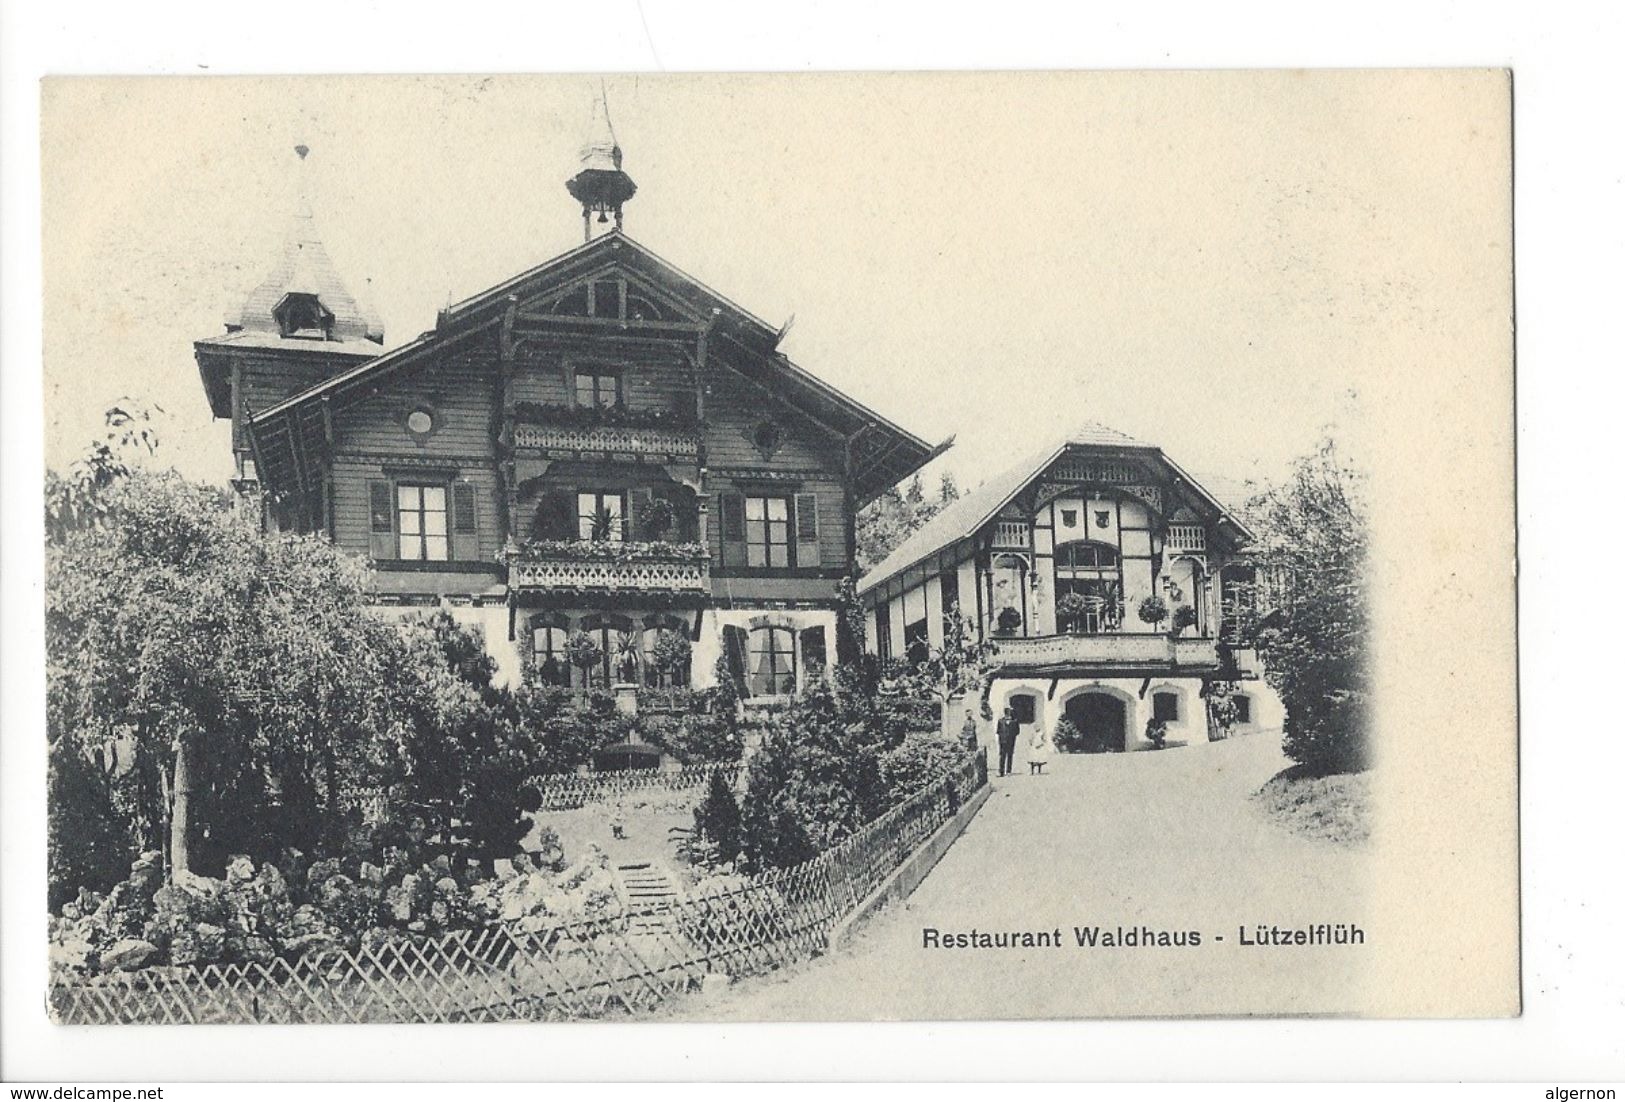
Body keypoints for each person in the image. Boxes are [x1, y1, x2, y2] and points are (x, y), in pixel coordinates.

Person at [995, 706, 1019, 777]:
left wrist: (1012, 736)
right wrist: (1001, 739)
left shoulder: (1014, 721)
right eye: (1007, 713)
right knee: (1002, 756)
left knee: (1010, 756)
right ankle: (1001, 771)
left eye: (1009, 713)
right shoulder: (1000, 721)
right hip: (1003, 741)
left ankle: (1008, 771)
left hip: (1011, 741)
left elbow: (1017, 731)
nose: (1008, 714)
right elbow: (998, 731)